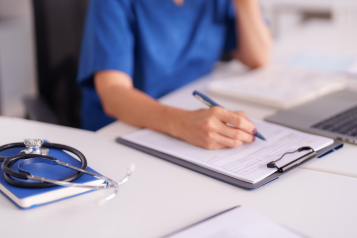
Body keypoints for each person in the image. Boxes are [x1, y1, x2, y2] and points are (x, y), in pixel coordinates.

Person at [77, 0, 272, 150]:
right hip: (123, 128)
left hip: (192, 116)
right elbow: (113, 93)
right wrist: (180, 123)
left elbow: (257, 57)